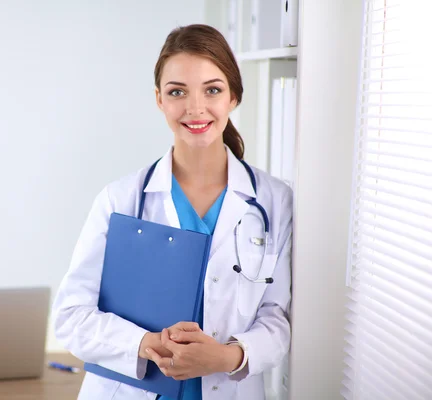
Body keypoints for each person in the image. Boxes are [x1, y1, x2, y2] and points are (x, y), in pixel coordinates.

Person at [52, 24, 292, 400]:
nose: (195, 108)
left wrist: (227, 356)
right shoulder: (121, 200)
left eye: (212, 89)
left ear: (233, 97)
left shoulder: (275, 201)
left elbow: (278, 318)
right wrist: (145, 343)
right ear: (159, 100)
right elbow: (70, 317)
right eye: (177, 91)